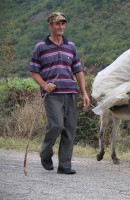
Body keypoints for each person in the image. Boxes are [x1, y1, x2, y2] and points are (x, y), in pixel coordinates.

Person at [29, 12, 90, 175]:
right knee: (56, 125)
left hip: (70, 92)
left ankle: (64, 165)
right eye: (57, 24)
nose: (61, 27)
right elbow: (34, 71)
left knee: (69, 128)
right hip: (52, 94)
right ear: (50, 26)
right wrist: (44, 85)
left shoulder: (71, 46)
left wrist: (84, 93)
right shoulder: (41, 47)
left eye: (63, 24)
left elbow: (78, 70)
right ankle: (45, 153)